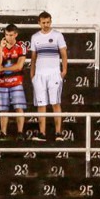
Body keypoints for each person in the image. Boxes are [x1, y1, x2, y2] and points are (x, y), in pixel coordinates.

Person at [29, 11, 68, 142]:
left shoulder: (58, 35)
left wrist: (64, 71)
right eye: (43, 22)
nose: (46, 25)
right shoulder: (35, 37)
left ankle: (58, 133)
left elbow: (63, 54)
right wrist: (32, 74)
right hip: (39, 75)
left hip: (54, 74)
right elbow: (33, 57)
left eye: (48, 22)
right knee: (41, 104)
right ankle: (42, 133)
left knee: (55, 103)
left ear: (51, 21)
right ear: (39, 23)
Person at [0, 24, 28, 141]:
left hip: (16, 81)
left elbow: (19, 66)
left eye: (11, 35)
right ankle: (3, 133)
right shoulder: (0, 47)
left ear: (16, 34)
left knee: (19, 107)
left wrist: (4, 69)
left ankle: (20, 132)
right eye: (7, 35)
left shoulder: (21, 46)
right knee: (3, 109)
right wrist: (1, 50)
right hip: (3, 82)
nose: (9, 38)